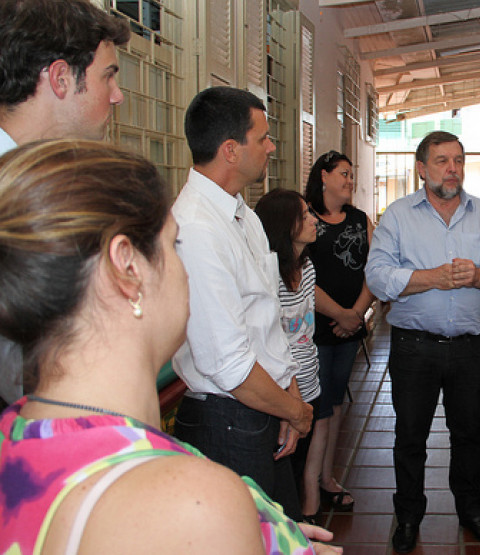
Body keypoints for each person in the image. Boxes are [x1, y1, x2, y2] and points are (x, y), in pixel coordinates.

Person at [0, 139, 336, 554]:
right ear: (128, 267)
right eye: (173, 245)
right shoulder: (192, 504)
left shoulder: (19, 435)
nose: (185, 270)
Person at [365, 131, 480, 553]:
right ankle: (408, 515)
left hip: (472, 348)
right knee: (410, 437)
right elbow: (376, 276)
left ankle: (470, 509)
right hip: (414, 347)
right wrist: (429, 278)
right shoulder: (398, 216)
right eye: (441, 161)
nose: (452, 169)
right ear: (422, 168)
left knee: (470, 435)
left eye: (458, 160)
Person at [171, 86, 313, 522]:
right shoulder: (196, 228)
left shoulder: (243, 215)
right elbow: (227, 363)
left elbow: (268, 318)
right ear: (231, 150)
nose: (271, 147)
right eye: (263, 138)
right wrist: (296, 411)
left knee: (282, 532)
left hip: (263, 404)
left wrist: (288, 395)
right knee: (247, 535)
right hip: (227, 419)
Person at [0, 0, 129, 405]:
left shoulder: (52, 184)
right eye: (108, 76)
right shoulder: (12, 195)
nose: (117, 96)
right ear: (60, 78)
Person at [302, 150, 375, 516]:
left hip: (348, 330)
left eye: (351, 174)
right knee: (316, 406)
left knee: (335, 403)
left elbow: (375, 269)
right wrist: (341, 315)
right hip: (313, 330)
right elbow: (298, 275)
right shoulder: (305, 218)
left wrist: (356, 315)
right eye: (343, 173)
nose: (350, 180)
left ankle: (327, 477)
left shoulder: (361, 220)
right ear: (324, 176)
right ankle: (307, 485)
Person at [254, 189, 323, 524]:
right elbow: (267, 342)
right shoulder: (266, 275)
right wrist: (288, 395)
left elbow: (305, 330)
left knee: (297, 464)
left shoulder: (307, 267)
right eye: (305, 215)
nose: (314, 220)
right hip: (281, 390)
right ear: (284, 224)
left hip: (310, 383)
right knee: (277, 477)